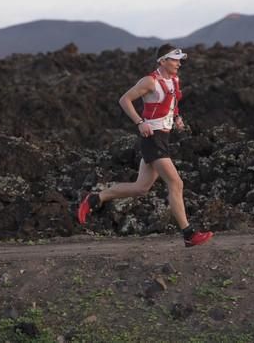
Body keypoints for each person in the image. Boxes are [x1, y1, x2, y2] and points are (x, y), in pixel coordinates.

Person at [77, 44, 213, 247]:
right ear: (162, 61)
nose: (179, 63)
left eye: (179, 60)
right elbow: (124, 100)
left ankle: (95, 199)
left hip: (163, 138)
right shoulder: (150, 81)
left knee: (141, 188)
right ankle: (188, 234)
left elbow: (173, 102)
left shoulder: (174, 80)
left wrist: (177, 118)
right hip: (152, 139)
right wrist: (140, 123)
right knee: (176, 183)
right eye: (174, 60)